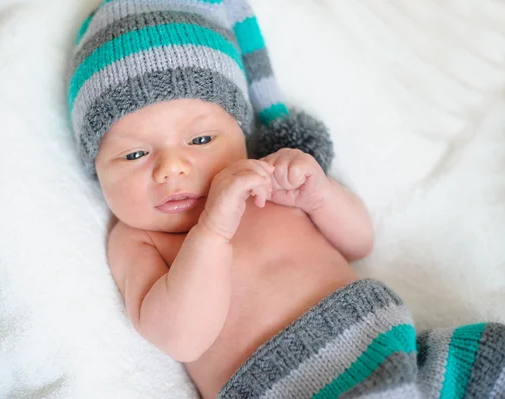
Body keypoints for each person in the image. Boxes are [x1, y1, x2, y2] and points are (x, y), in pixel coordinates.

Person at [67, 1, 505, 397]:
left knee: (489, 356)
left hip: (388, 341)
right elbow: (182, 337)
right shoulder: (137, 240)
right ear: (96, 168)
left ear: (241, 134)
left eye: (200, 138)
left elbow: (359, 243)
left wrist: (320, 195)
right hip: (285, 382)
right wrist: (212, 232)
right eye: (135, 154)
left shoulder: (272, 178)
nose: (171, 168)